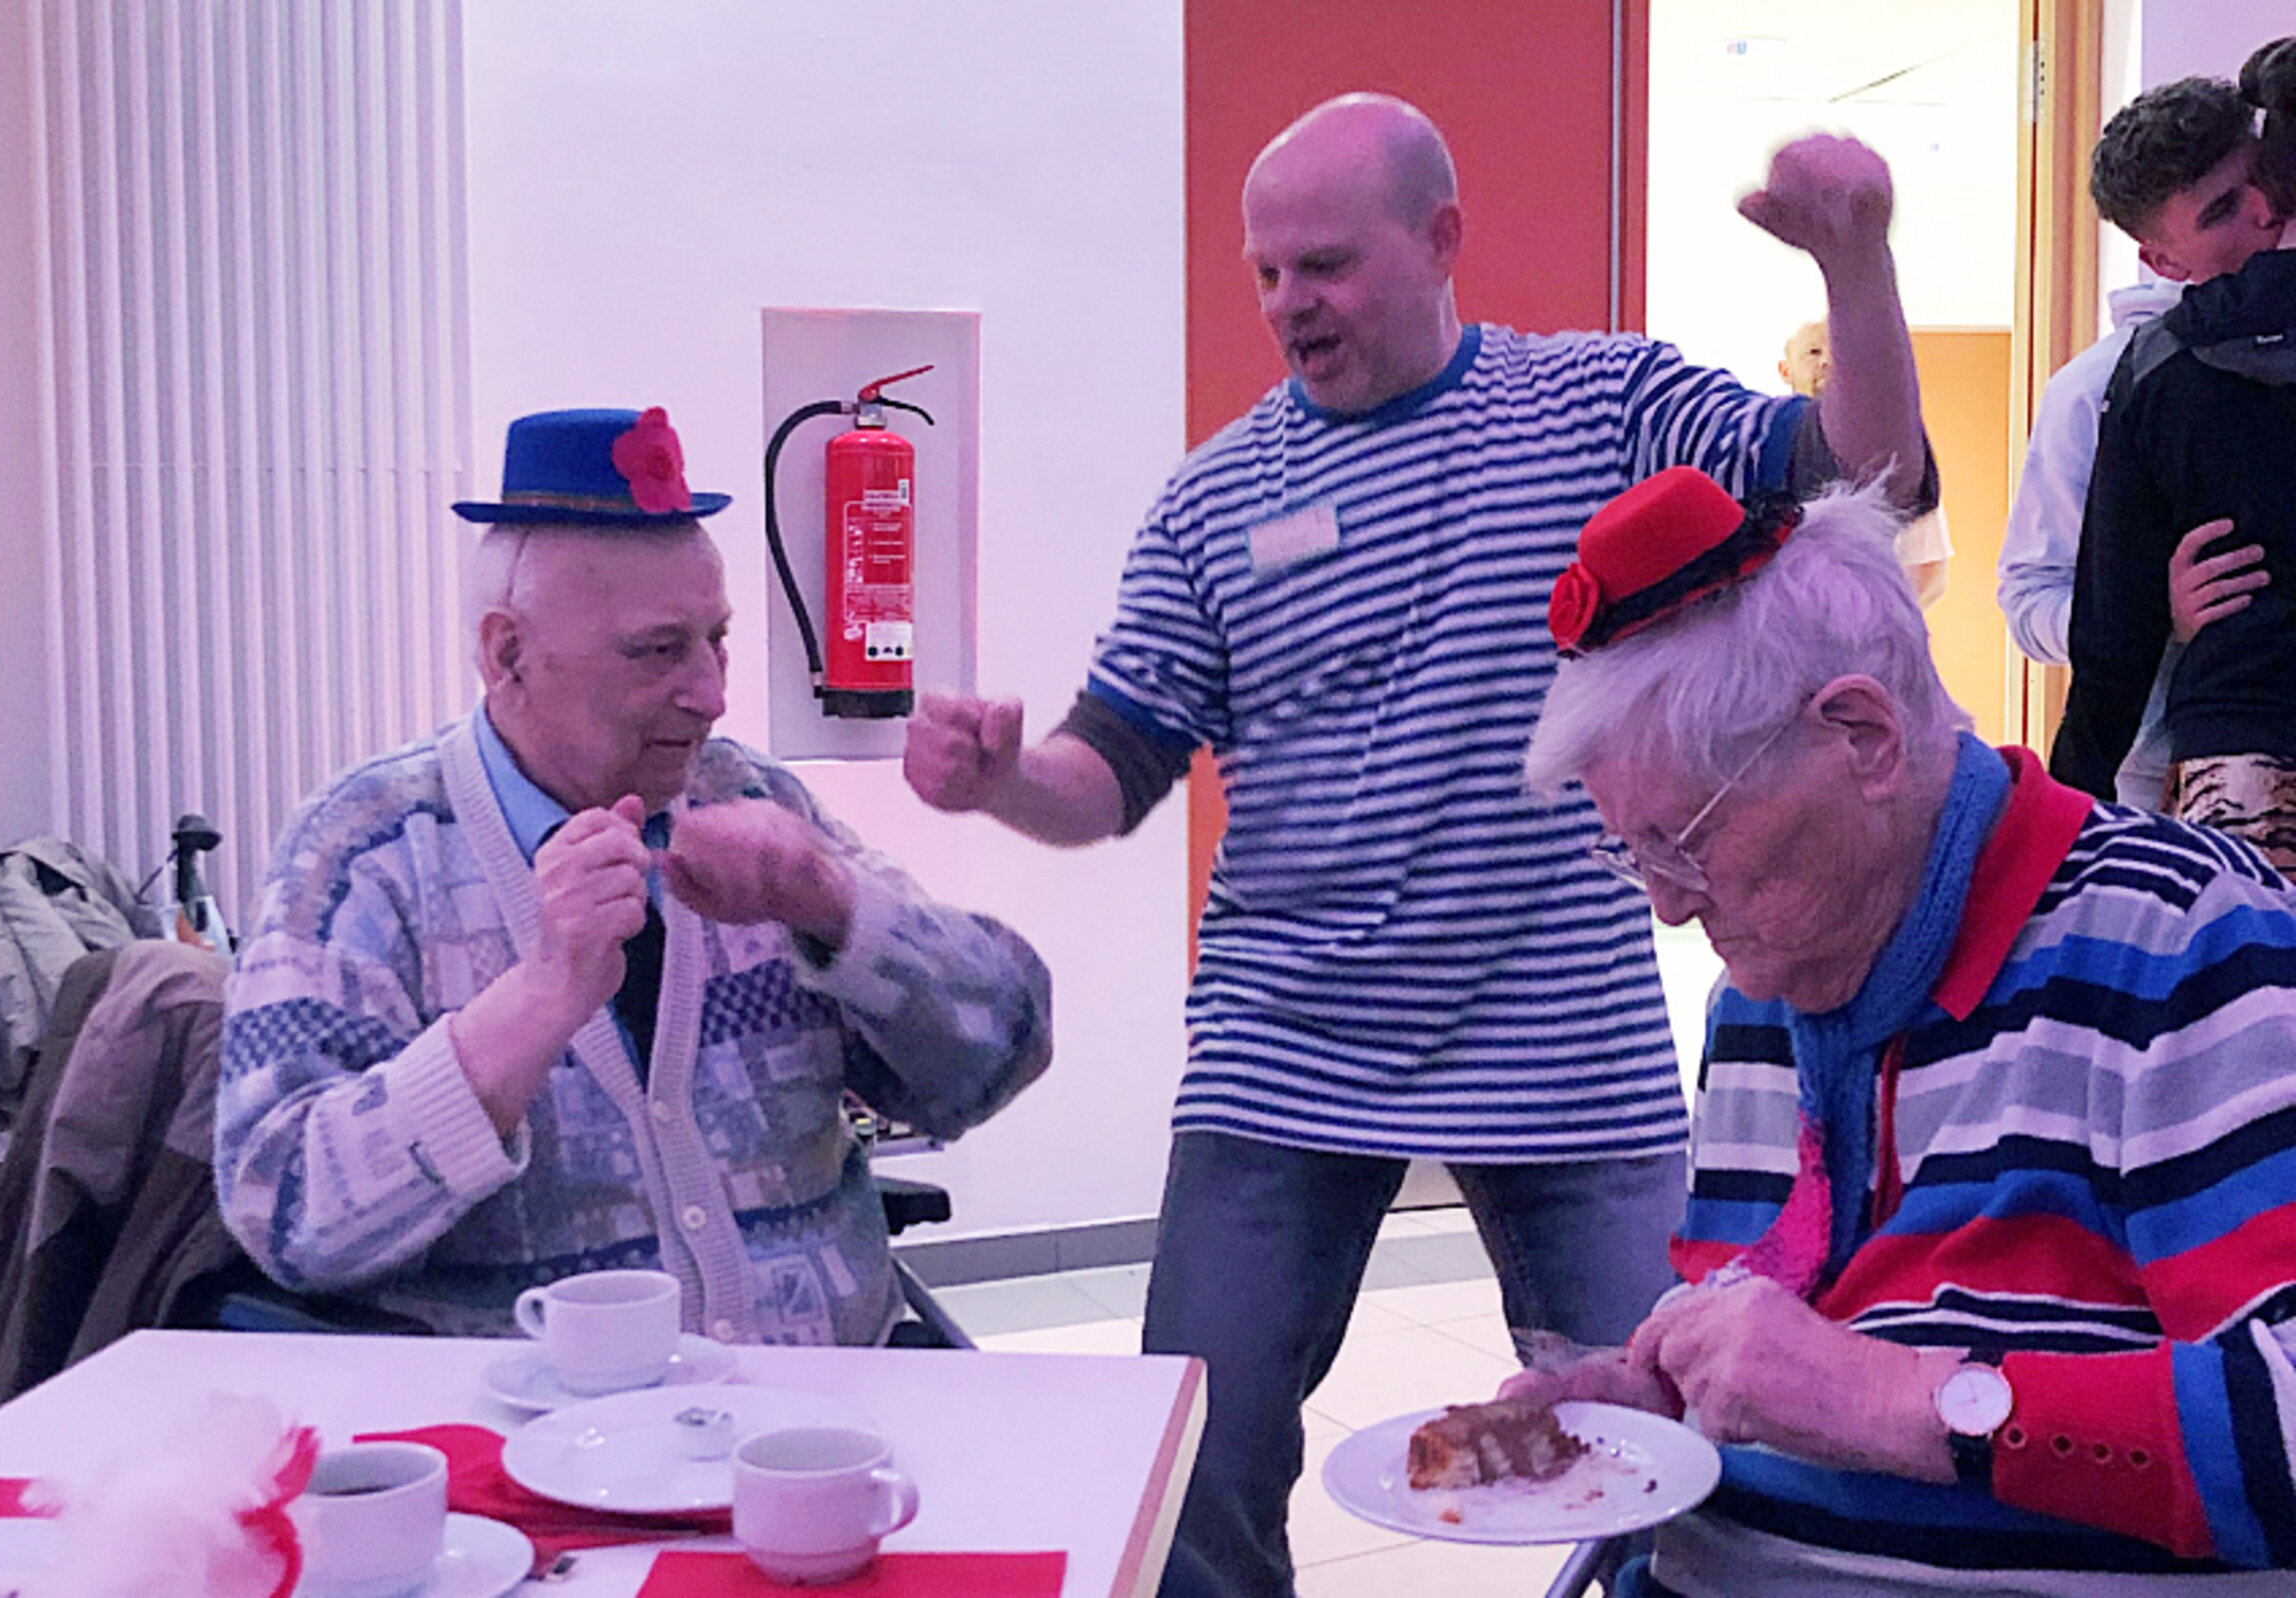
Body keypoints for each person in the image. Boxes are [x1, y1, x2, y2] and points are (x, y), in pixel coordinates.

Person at [902, 92, 1934, 1598]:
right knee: (1193, 1461)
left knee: (1690, 1442)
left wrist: (1855, 266)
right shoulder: (1213, 500)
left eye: (1322, 263)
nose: (1286, 303)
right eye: (1266, 272)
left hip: (1557, 1025)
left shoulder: (1600, 406)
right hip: (1287, 1040)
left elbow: (1867, 476)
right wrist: (1003, 780)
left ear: (1442, 237)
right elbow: (1107, 772)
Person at [1518, 465, 2296, 1597]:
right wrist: (1653, 1397)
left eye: (1685, 841)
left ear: (1863, 735)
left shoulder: (2183, 943)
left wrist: (1896, 1399)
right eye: (1634, 853)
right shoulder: (1760, 992)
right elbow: (1772, 1350)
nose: (1669, 905)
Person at [215, 406, 1053, 1343]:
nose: (712, 694)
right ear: (507, 653)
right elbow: (286, 1216)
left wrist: (836, 905)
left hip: (824, 1405)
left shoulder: (752, 800)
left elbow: (1000, 1055)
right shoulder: (365, 854)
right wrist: (536, 999)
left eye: (716, 640)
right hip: (527, 1422)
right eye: (658, 650)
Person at [2006, 70, 2284, 811]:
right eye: (2222, 211)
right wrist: (2142, 609)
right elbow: (2027, 595)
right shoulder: (2098, 389)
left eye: (2261, 182)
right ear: (2164, 261)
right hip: (2170, 767)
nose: (2264, 213)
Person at [1779, 316, 1951, 605]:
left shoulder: (1893, 451)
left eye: (1838, 352)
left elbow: (1929, 570)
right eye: (1813, 352)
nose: (1827, 362)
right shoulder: (1760, 444)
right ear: (1785, 370)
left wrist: (1877, 619)